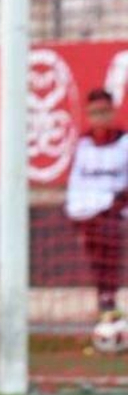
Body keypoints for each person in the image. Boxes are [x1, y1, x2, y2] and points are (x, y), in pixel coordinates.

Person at [65, 88, 128, 323]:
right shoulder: (83, 145)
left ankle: (110, 303)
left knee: (110, 255)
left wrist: (114, 206)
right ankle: (105, 305)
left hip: (116, 214)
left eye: (103, 112)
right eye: (94, 113)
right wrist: (75, 213)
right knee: (97, 261)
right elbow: (75, 184)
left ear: (112, 112)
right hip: (89, 216)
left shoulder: (124, 143)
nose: (99, 118)